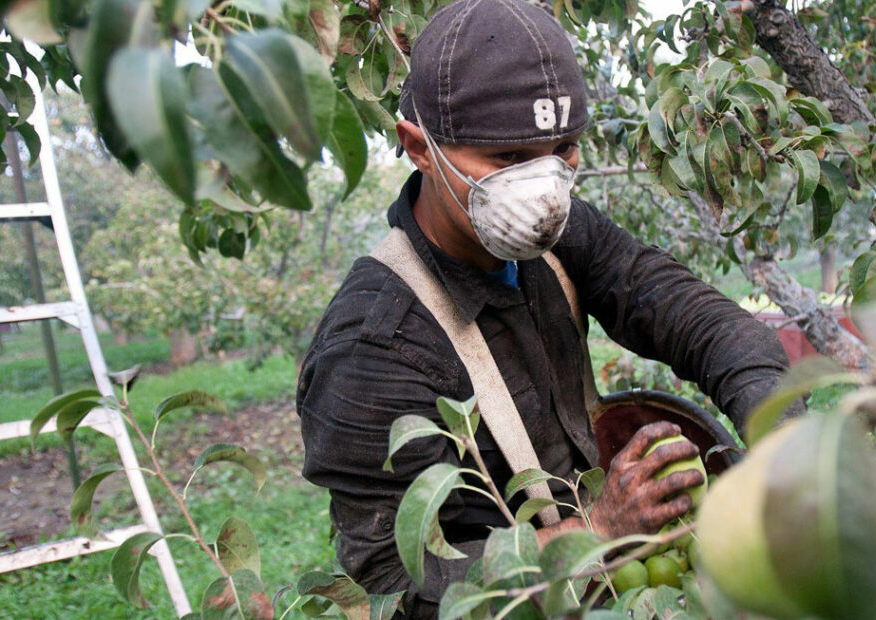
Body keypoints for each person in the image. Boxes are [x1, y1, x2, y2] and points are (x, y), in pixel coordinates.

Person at [296, 0, 792, 616]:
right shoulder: (371, 350)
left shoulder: (556, 234)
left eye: (563, 150)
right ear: (418, 148)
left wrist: (780, 426)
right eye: (506, 160)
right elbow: (393, 588)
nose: (544, 190)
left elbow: (683, 310)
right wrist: (598, 531)